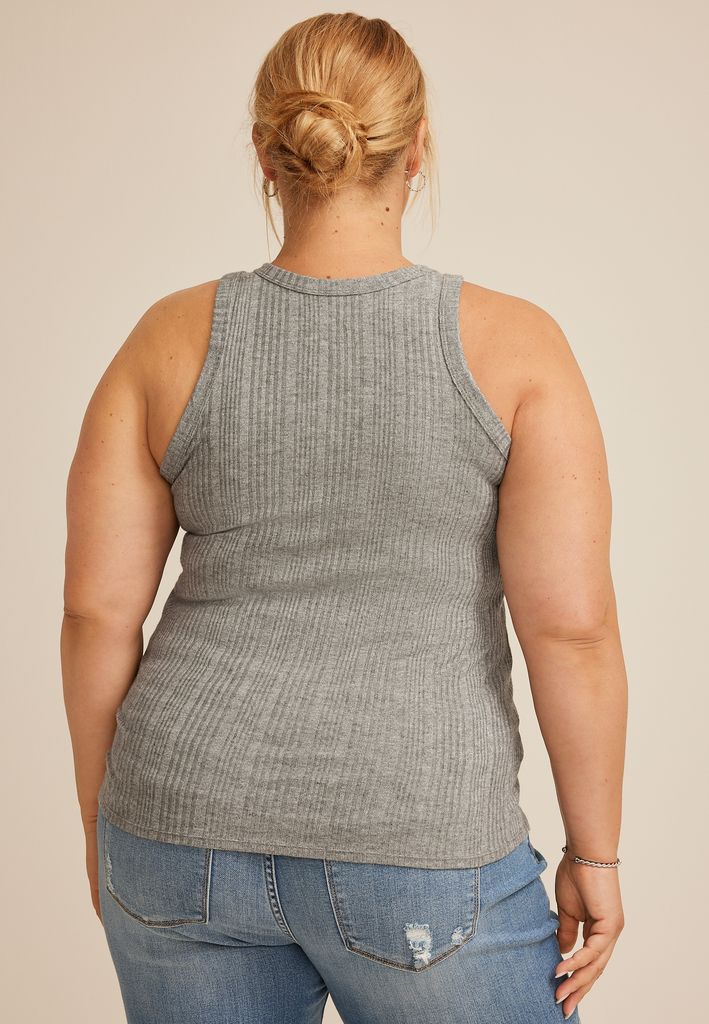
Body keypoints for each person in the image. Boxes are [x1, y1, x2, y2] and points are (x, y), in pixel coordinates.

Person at [61, 12, 627, 1024]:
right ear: (418, 148)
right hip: (420, 841)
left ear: (264, 152)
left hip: (175, 831)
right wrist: (595, 853)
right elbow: (570, 630)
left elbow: (96, 616)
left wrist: (104, 825)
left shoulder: (166, 339)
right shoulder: (514, 347)